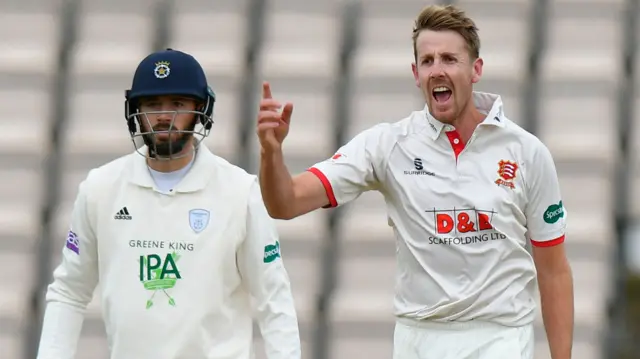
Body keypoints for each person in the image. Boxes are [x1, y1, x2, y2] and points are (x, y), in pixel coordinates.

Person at [256, 4, 573, 359]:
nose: (437, 70)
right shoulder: (387, 144)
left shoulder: (527, 152)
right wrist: (271, 154)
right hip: (418, 338)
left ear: (476, 70)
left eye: (450, 59)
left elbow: (554, 271)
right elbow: (285, 204)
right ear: (416, 73)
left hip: (499, 337)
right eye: (428, 61)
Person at [37, 48, 301, 359]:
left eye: (177, 104)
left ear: (201, 109)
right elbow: (69, 290)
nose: (164, 116)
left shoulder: (241, 192)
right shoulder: (101, 188)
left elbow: (274, 298)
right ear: (135, 111)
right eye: (152, 104)